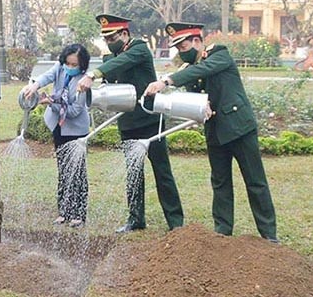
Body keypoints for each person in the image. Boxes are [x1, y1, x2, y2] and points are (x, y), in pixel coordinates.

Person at [144, 22, 278, 243]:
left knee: (255, 181)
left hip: (238, 128)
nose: (181, 52)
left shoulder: (218, 54)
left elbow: (204, 69)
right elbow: (195, 94)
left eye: (184, 46)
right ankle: (223, 231)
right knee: (220, 182)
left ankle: (269, 235)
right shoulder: (188, 70)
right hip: (215, 131)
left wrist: (166, 81)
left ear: (197, 41)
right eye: (178, 48)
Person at [77, 14, 184, 233]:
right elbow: (112, 74)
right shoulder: (112, 57)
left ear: (125, 34)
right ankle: (136, 218)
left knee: (162, 171)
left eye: (112, 37)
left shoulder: (139, 49)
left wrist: (93, 75)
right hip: (127, 122)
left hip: (149, 121)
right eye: (105, 39)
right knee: (133, 174)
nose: (108, 42)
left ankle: (176, 223)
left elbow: (122, 62)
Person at [22, 43, 91, 228]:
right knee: (63, 169)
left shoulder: (84, 80)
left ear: (82, 65)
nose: (70, 67)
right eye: (67, 63)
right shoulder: (60, 68)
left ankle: (79, 213)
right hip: (59, 127)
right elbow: (47, 76)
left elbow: (76, 110)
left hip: (76, 130)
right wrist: (35, 86)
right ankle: (64, 211)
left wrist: (51, 102)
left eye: (74, 64)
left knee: (77, 171)